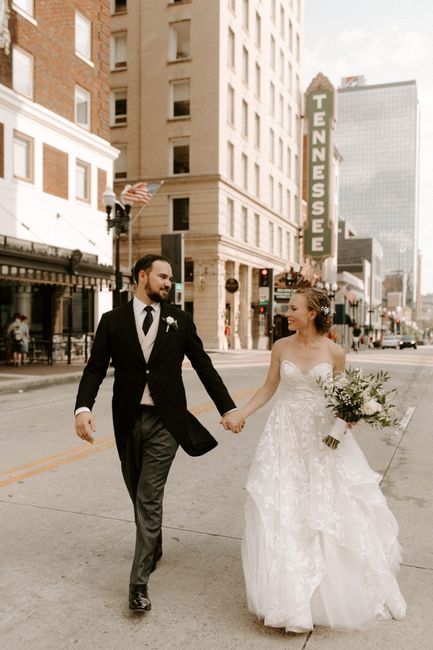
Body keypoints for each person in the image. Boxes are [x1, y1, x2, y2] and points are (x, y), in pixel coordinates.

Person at [74, 254, 244, 613]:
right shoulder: (112, 321)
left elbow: (204, 366)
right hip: (128, 420)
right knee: (136, 491)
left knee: (149, 495)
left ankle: (138, 584)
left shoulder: (179, 320)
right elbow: (94, 369)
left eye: (170, 279)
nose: (169, 283)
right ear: (142, 277)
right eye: (163, 277)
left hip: (166, 422)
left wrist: (227, 407)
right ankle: (155, 544)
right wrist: (83, 408)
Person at [234, 287, 406, 633]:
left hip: (322, 438)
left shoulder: (335, 352)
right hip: (284, 434)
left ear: (312, 313)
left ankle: (330, 592)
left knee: (327, 508)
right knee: (284, 506)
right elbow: (269, 387)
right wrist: (243, 413)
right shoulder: (281, 346)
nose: (287, 313)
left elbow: (347, 399)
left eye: (293, 308)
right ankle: (287, 597)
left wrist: (345, 423)